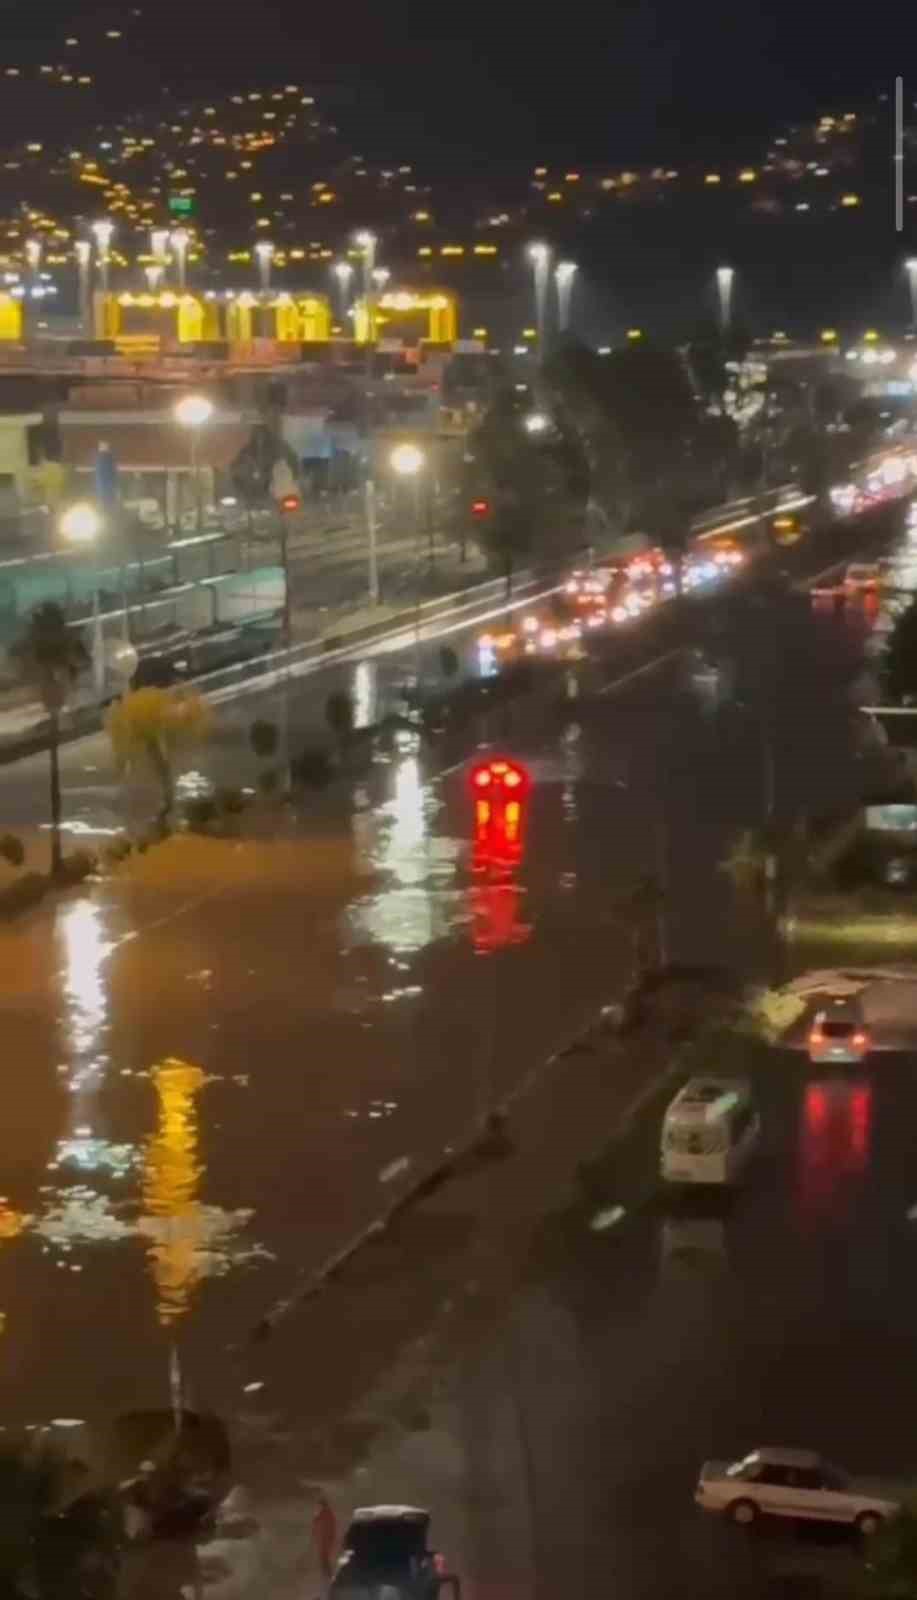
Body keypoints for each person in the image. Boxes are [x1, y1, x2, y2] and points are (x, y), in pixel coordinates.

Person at [312, 1490, 338, 1581]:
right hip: (326, 1539)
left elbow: (317, 1522)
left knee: (324, 1558)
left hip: (326, 1540)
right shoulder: (327, 1513)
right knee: (324, 1558)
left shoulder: (326, 1513)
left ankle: (328, 1576)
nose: (319, 1507)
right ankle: (328, 1576)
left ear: (322, 1505)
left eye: (320, 1505)